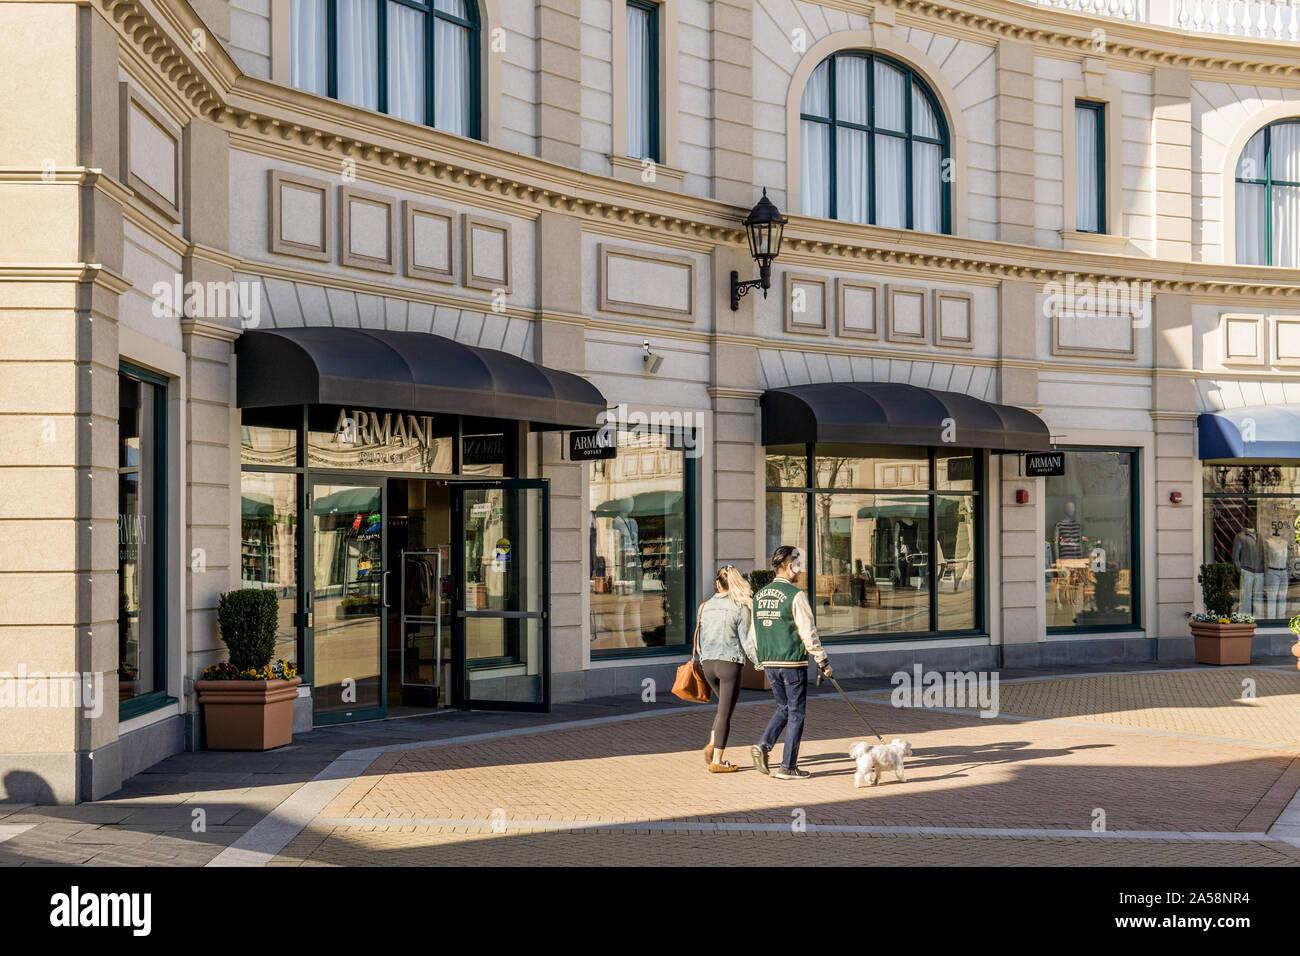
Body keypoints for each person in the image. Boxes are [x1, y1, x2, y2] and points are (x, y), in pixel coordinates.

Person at [750, 545, 832, 780]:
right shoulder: (795, 595)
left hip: (770, 662)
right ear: (788, 566)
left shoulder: (759, 595)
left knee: (784, 708)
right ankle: (787, 766)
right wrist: (822, 660)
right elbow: (808, 632)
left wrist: (761, 658)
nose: (799, 568)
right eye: (797, 563)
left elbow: (754, 633)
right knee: (796, 713)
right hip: (792, 663)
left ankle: (764, 745)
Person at [696, 565, 758, 773]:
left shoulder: (704, 607)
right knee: (724, 713)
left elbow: (699, 639)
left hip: (708, 665)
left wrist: (702, 658)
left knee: (724, 708)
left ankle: (713, 742)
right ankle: (718, 760)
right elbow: (747, 640)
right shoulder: (739, 607)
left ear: (717, 584)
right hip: (729, 665)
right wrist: (758, 662)